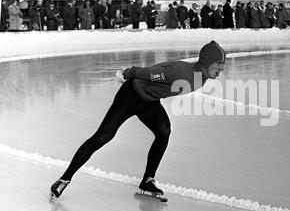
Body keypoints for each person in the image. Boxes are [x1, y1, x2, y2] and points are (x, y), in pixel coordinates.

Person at [50, 41, 227, 200]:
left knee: (164, 131)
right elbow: (150, 73)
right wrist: (127, 73)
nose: (221, 69)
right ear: (207, 61)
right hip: (131, 95)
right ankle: (64, 179)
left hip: (149, 101)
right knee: (104, 136)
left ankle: (147, 180)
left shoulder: (201, 79)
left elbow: (161, 87)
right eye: (219, 64)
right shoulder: (180, 71)